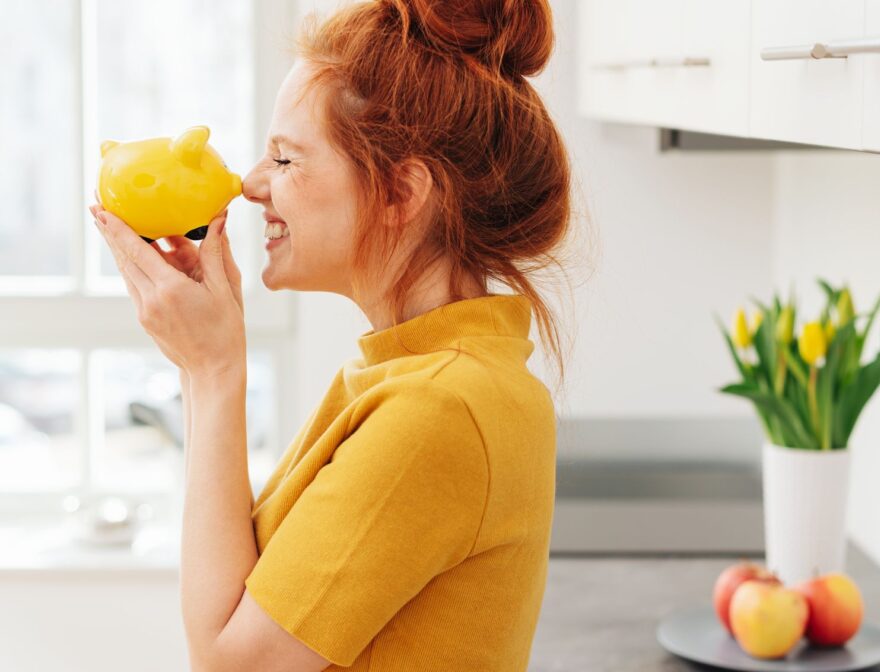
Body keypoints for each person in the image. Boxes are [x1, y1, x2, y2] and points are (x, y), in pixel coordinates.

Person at [91, 0, 574, 669]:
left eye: (285, 160)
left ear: (401, 193)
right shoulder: (418, 377)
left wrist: (212, 371)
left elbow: (233, 665)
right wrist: (199, 364)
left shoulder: (438, 410)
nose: (250, 184)